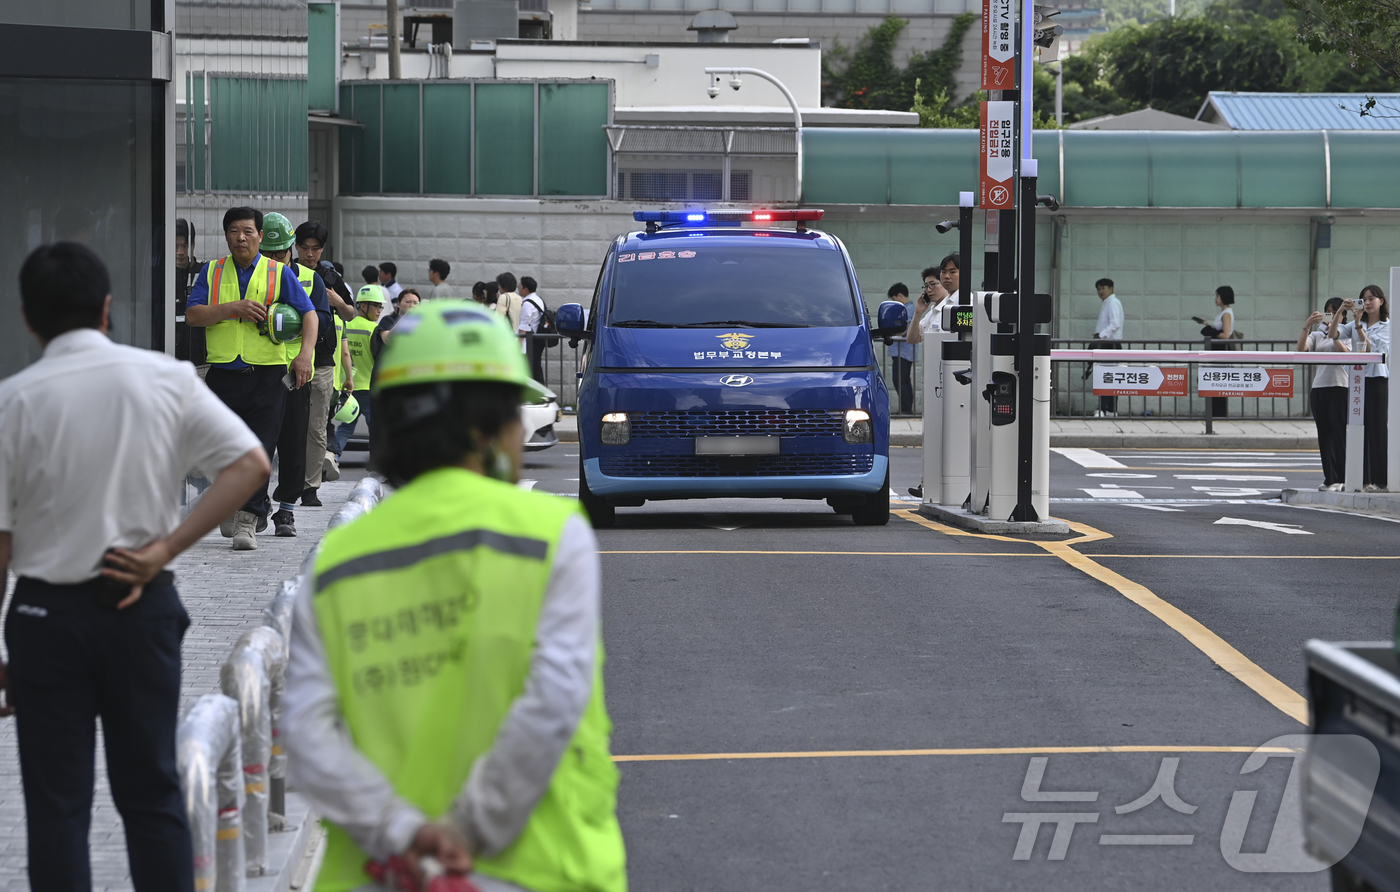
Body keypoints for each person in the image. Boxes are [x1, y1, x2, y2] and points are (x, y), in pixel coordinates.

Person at [283, 302, 627, 892]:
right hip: (537, 866)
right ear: (486, 428)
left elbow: (309, 737)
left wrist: (405, 833)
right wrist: (464, 831)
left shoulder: (336, 564)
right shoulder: (548, 534)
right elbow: (552, 702)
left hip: (381, 874)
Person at [0, 242, 271, 891]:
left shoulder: (13, 401)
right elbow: (252, 465)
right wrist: (164, 550)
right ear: (107, 308)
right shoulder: (164, 378)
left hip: (45, 614)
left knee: (57, 807)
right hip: (139, 604)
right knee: (151, 793)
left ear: (28, 318)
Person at [185, 207, 318, 550]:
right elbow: (193, 316)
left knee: (259, 449)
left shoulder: (279, 273)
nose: (240, 237)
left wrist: (304, 355)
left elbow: (309, 315)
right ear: (226, 235)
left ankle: (248, 518)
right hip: (223, 374)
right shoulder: (211, 272)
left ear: (260, 235)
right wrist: (233, 308)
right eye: (233, 231)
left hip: (268, 376)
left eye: (247, 231)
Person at [295, 220, 357, 507]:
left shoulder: (330, 277)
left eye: (315, 249)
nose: (310, 254)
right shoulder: (288, 272)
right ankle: (289, 482)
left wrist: (336, 301)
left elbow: (351, 314)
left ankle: (311, 487)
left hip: (321, 362)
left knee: (316, 427)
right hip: (285, 358)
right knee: (287, 425)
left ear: (322, 249)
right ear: (296, 247)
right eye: (305, 248)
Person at [903, 256, 958, 499]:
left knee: (950, 436)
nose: (930, 289)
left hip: (955, 384)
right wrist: (917, 312)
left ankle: (944, 485)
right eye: (926, 285)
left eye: (933, 283)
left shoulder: (958, 306)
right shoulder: (934, 310)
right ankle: (930, 484)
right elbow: (912, 339)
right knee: (933, 435)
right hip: (935, 384)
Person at [1330, 284, 1391, 491]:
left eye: (1371, 298)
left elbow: (1372, 351)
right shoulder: (1359, 321)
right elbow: (1333, 334)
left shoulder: (1387, 325)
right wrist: (1341, 311)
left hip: (1376, 380)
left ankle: (1380, 480)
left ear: (1381, 301)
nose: (1367, 303)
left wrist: (1357, 326)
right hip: (1356, 380)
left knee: (1377, 429)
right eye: (1363, 299)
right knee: (1357, 429)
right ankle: (1361, 479)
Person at [1301, 298, 1351, 491]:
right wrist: (1307, 325)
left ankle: (1342, 478)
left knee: (1339, 433)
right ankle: (1330, 478)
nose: (1330, 315)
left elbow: (1344, 353)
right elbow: (1301, 348)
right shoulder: (1317, 335)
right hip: (1320, 387)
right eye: (1327, 312)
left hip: (1340, 386)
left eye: (1335, 312)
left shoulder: (1346, 333)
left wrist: (1334, 329)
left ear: (1342, 314)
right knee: (1324, 434)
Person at [335, 284, 386, 460]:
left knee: (346, 427)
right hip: (369, 387)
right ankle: (376, 462)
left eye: (381, 306)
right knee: (376, 428)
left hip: (349, 386)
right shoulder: (374, 330)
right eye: (376, 306)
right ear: (363, 306)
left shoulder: (346, 326)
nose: (379, 310)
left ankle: (332, 457)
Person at [174, 218, 207, 377]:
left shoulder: (204, 273)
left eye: (184, 246)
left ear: (192, 246)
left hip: (200, 358)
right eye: (175, 246)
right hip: (171, 354)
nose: (180, 252)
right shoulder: (162, 276)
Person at [1198, 285, 1236, 418]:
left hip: (1221, 350)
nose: (1215, 299)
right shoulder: (1223, 312)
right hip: (1217, 350)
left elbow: (1225, 335)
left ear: (1223, 297)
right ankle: (1215, 413)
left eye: (1217, 296)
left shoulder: (1226, 314)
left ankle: (1219, 413)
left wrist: (1212, 331)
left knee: (1217, 381)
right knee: (1215, 380)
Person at [1092, 278, 1124, 417]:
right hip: (1109, 344)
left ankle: (1103, 409)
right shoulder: (1108, 303)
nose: (1100, 291)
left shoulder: (1113, 302)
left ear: (1111, 288)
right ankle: (1111, 410)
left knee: (1105, 377)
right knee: (1110, 377)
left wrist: (1101, 335)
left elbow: (1115, 324)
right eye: (1098, 289)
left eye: (1103, 288)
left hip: (1110, 344)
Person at [886, 283, 915, 415]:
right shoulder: (912, 308)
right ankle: (907, 408)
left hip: (902, 351)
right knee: (905, 380)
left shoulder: (906, 310)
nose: (894, 302)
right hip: (906, 351)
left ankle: (906, 409)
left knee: (899, 379)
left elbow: (902, 330)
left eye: (894, 299)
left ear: (900, 295)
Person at [518, 275, 548, 384]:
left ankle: (534, 395)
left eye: (520, 286)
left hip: (530, 342)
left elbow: (524, 325)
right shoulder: (538, 299)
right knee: (536, 368)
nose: (518, 288)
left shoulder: (527, 303)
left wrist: (518, 345)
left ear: (525, 289)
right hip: (538, 340)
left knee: (530, 370)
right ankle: (542, 393)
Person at [374, 287, 420, 356]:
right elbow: (388, 340)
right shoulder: (387, 320)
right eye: (408, 302)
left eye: (416, 303)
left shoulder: (418, 324)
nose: (412, 306)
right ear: (398, 304)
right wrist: (406, 317)